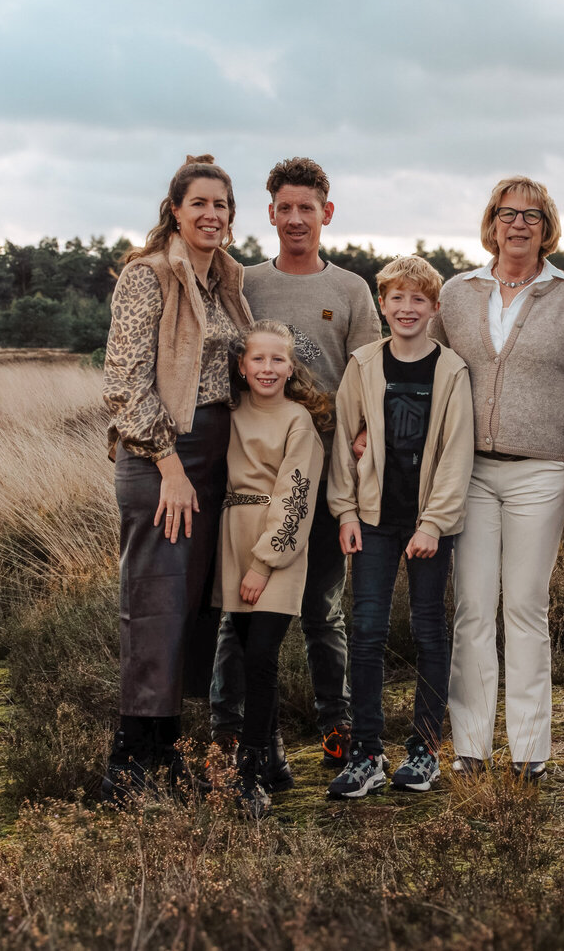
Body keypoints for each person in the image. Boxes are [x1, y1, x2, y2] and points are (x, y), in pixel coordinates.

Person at [432, 176, 564, 781]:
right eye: (507, 214)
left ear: (547, 228)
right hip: (469, 473)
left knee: (527, 608)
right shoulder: (457, 293)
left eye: (532, 217)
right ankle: (471, 749)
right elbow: (426, 372)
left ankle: (531, 751)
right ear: (491, 222)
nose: (518, 225)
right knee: (473, 607)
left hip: (540, 472)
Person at [211, 156, 383, 782]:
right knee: (243, 614)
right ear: (271, 214)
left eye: (306, 208)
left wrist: (363, 438)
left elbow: (370, 374)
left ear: (326, 214)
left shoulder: (351, 291)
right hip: (254, 480)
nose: (295, 219)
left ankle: (335, 726)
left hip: (327, 473)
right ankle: (235, 735)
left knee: (320, 609)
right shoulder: (246, 283)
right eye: (284, 208)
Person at [102, 154, 253, 803]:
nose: (212, 214)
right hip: (163, 460)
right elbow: (125, 383)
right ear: (175, 209)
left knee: (188, 614)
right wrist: (168, 466)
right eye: (201, 203)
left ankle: (164, 755)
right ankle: (127, 764)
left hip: (214, 459)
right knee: (155, 606)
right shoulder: (148, 276)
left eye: (222, 205)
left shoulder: (225, 282)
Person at [325, 255, 475, 797]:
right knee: (365, 632)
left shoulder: (452, 370)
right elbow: (344, 439)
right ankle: (366, 753)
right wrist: (344, 510)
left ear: (435, 307)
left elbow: (457, 454)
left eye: (418, 299)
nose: (407, 308)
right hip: (373, 521)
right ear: (381, 304)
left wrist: (434, 523)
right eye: (396, 298)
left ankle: (423, 751)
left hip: (428, 524)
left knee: (429, 630)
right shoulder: (364, 363)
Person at [213, 320, 329, 816]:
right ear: (241, 366)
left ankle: (250, 773)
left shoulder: (297, 421)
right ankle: (276, 764)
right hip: (230, 536)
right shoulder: (227, 414)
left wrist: (264, 562)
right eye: (257, 359)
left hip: (276, 542)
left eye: (277, 359)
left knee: (262, 656)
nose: (267, 368)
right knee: (242, 652)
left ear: (289, 367)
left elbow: (296, 496)